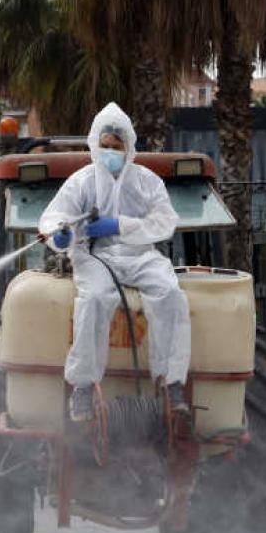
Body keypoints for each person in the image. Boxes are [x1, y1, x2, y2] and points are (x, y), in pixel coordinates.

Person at [38, 103, 191, 422]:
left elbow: (164, 222)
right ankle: (83, 386)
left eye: (116, 147)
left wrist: (120, 225)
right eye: (104, 146)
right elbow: (54, 217)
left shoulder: (147, 181)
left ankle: (171, 382)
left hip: (139, 254)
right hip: (94, 255)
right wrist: (59, 236)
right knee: (93, 299)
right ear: (95, 144)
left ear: (128, 147)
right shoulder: (82, 181)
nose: (110, 152)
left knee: (171, 294)